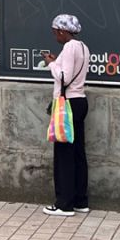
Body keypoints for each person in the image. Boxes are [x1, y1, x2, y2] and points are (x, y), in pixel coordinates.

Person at [41, 12, 90, 216]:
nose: (55, 37)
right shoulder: (82, 47)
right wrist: (55, 61)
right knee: (77, 153)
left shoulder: (69, 47)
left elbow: (64, 77)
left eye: (55, 32)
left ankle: (64, 203)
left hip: (67, 102)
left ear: (62, 31)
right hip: (79, 101)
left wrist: (51, 63)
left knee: (64, 155)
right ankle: (80, 200)